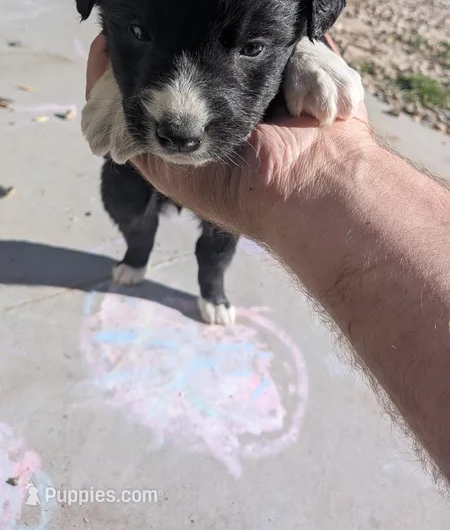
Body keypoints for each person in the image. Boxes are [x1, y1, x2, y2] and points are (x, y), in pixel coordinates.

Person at [86, 33, 450, 483]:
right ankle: (136, 253)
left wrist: (306, 50)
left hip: (235, 160)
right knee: (131, 216)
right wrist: (117, 78)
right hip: (136, 160)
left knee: (218, 240)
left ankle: (211, 286)